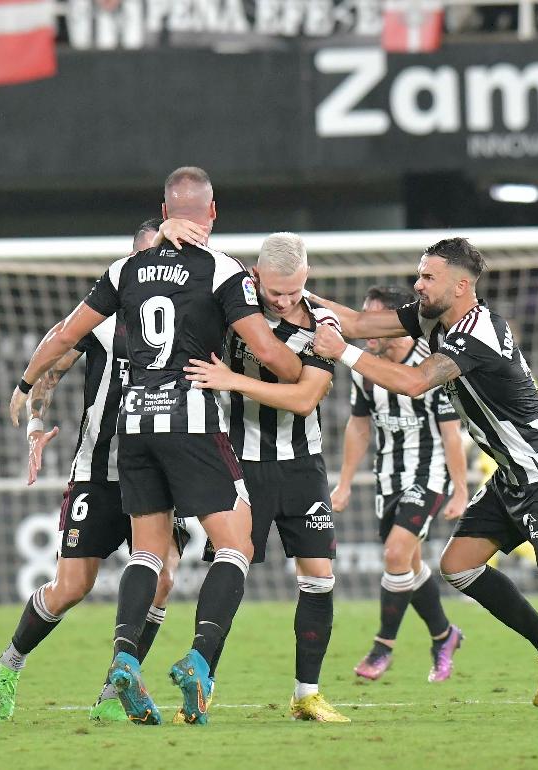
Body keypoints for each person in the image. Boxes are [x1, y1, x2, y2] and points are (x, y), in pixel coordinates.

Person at [311, 237, 538, 717]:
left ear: (461, 285)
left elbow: (414, 381)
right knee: (459, 564)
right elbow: (359, 323)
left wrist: (344, 353)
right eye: (419, 275)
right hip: (513, 474)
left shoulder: (476, 334)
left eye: (428, 277)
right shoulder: (432, 317)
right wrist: (302, 301)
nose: (417, 285)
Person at [8, 167, 302, 725]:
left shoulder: (126, 269)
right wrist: (304, 367)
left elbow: (66, 333)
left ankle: (123, 660)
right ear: (212, 213)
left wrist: (25, 385)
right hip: (189, 418)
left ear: (165, 210)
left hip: (134, 423)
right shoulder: (221, 269)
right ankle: (199, 659)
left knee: (148, 553)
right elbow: (267, 351)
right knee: (234, 544)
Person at [0, 220, 185, 723]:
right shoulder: (102, 319)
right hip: (100, 472)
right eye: (147, 258)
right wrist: (35, 421)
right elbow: (55, 357)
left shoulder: (189, 313)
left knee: (164, 580)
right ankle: (10, 662)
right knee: (71, 587)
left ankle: (116, 691)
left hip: (162, 472)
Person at [180, 231, 349, 722]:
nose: (284, 300)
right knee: (231, 567)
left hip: (302, 465)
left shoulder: (325, 323)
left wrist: (233, 380)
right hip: (237, 464)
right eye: (275, 291)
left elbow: (304, 398)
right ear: (256, 278)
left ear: (307, 276)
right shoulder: (235, 310)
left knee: (319, 577)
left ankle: (306, 693)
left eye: (293, 290)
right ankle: (199, 687)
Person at [329, 285, 469, 684]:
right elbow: (358, 427)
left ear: (393, 324)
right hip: (387, 474)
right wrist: (344, 484)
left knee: (395, 553)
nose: (366, 328)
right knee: (407, 563)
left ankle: (382, 647)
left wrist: (460, 489)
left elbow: (450, 432)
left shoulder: (430, 365)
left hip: (429, 472)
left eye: (375, 321)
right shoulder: (364, 367)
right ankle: (445, 635)